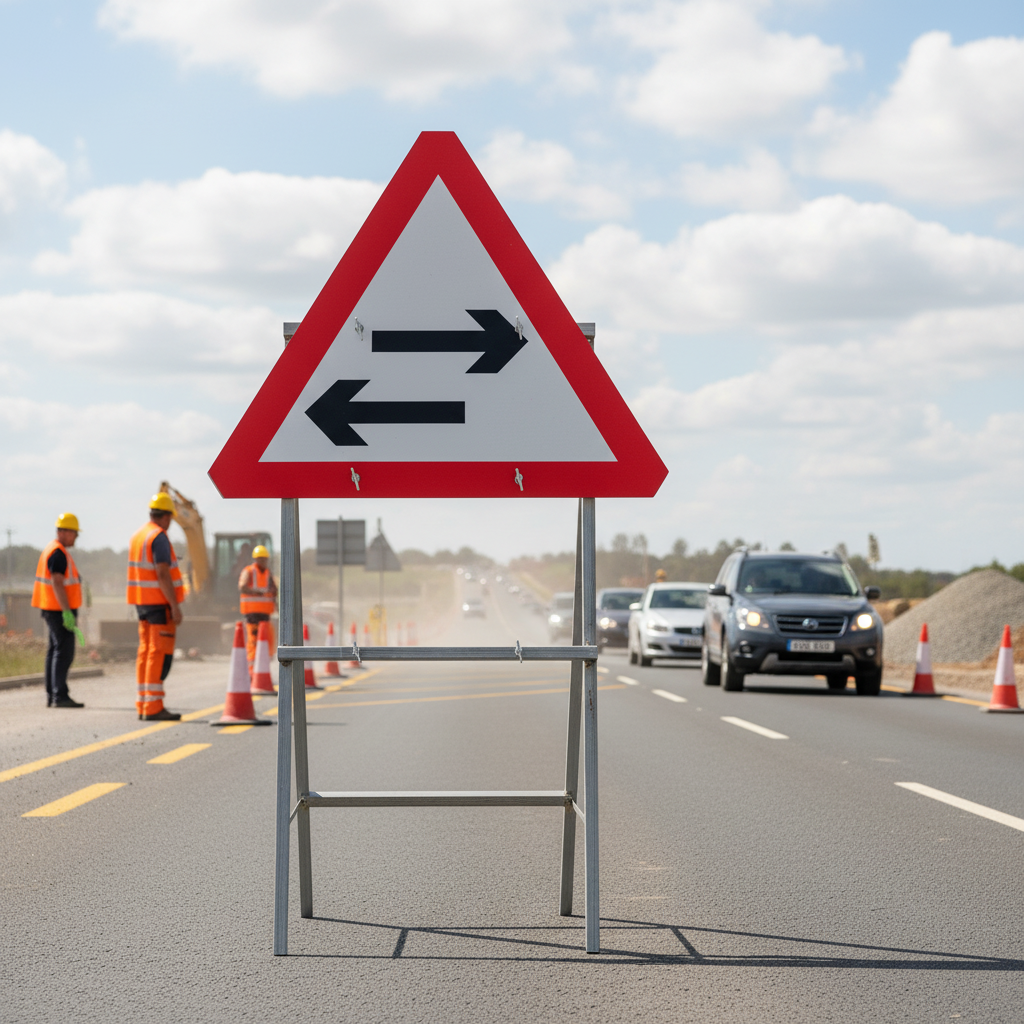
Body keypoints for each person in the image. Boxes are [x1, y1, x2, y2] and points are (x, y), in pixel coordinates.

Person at [127, 493, 185, 721]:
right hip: (159, 603)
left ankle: (143, 704)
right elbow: (162, 573)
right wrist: (175, 605)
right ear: (167, 516)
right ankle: (153, 707)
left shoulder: (138, 535)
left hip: (142, 602)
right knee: (158, 653)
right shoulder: (158, 537)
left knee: (145, 652)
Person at [31, 513, 85, 708]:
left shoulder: (53, 550)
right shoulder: (58, 552)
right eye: (74, 533)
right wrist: (67, 612)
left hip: (51, 608)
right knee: (64, 651)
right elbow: (57, 582)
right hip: (58, 610)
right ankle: (59, 695)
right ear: (63, 532)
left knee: (55, 650)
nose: (76, 537)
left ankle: (52, 694)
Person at [239, 544, 277, 672]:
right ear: (256, 559)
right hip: (252, 614)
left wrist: (274, 597)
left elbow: (274, 590)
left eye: (265, 559)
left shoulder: (268, 573)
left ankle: (262, 671)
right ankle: (251, 672)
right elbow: (242, 587)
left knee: (266, 642)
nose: (263, 561)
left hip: (265, 614)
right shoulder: (249, 571)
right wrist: (256, 591)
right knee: (253, 642)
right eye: (260, 559)